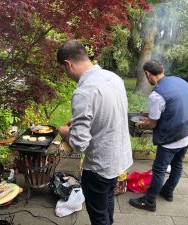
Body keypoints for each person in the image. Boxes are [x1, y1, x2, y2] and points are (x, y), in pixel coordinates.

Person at [57, 40, 133, 225]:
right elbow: (108, 113)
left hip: (99, 165)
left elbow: (79, 145)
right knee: (107, 201)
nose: (67, 75)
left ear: (68, 64)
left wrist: (65, 132)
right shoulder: (113, 78)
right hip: (119, 157)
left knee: (99, 216)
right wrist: (78, 123)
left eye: (64, 70)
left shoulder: (84, 92)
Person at [129, 60, 188, 212]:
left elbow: (153, 124)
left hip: (174, 137)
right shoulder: (180, 80)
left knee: (159, 169)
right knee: (177, 163)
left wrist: (140, 124)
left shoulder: (156, 95)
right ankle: (168, 192)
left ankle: (149, 201)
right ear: (162, 70)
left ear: (148, 74)